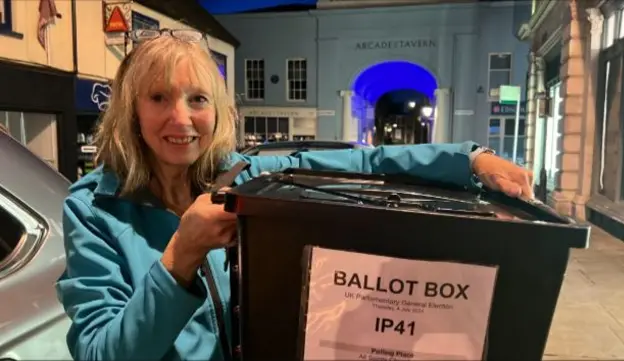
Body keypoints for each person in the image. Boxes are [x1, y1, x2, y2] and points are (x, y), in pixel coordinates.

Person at [55, 29, 533, 361]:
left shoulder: (244, 177)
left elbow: (359, 163)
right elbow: (103, 352)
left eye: (197, 99)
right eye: (158, 98)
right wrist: (182, 254)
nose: (180, 119)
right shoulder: (94, 208)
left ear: (217, 111)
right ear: (132, 109)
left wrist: (470, 160)